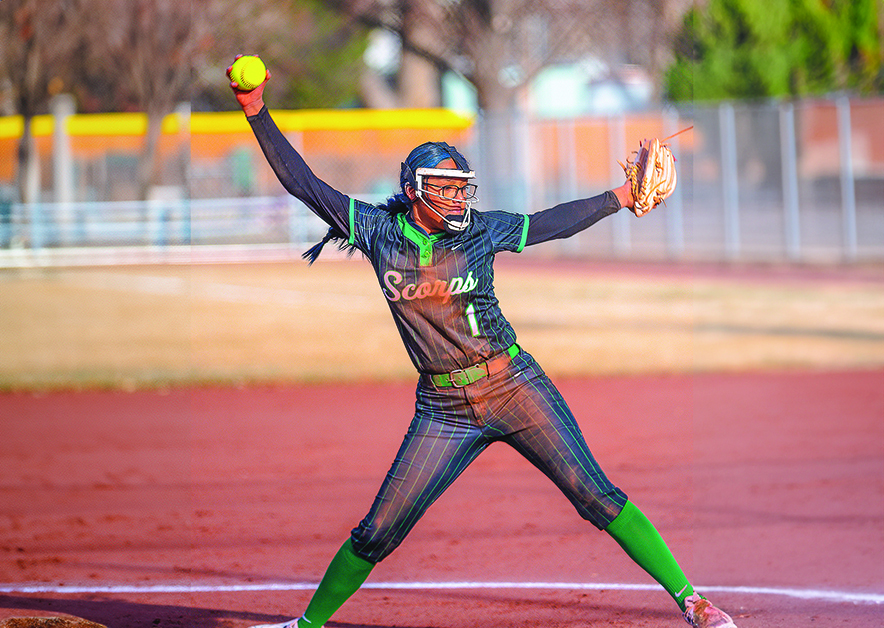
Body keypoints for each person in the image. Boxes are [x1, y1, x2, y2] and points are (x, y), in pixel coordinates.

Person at [228, 57, 739, 628]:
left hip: (515, 386)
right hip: (443, 409)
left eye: (460, 186)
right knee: (378, 530)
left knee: (595, 496)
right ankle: (308, 626)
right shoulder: (375, 231)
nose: (455, 197)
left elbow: (552, 223)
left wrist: (618, 195)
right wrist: (255, 110)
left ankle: (691, 600)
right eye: (442, 187)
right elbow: (303, 183)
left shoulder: (480, 230)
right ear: (411, 190)